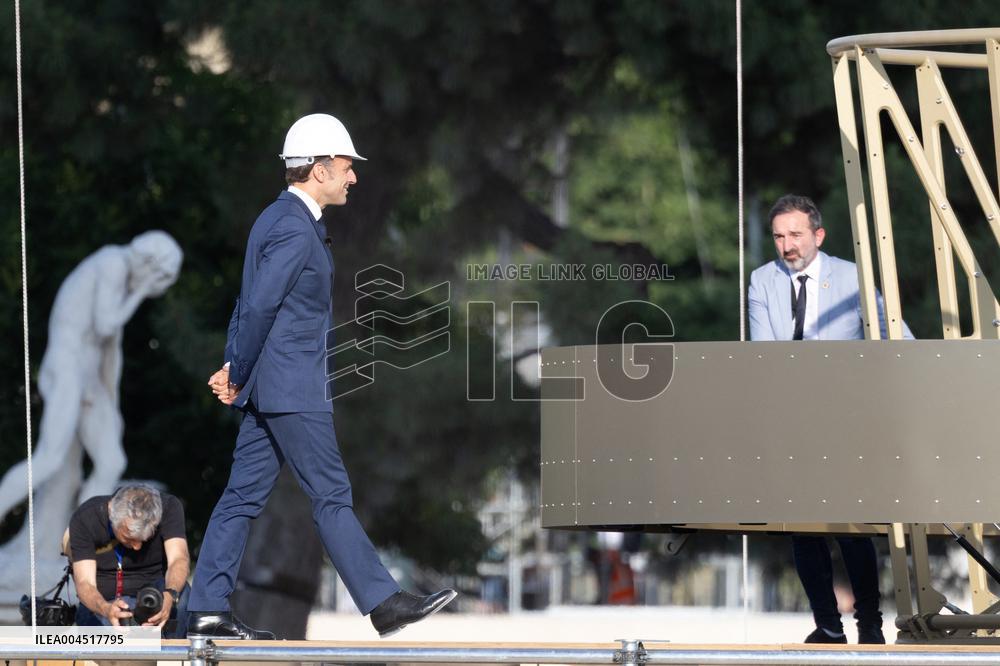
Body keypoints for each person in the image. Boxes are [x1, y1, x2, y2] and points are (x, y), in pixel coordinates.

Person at [187, 113, 456, 640]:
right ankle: (383, 603)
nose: (353, 176)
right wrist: (236, 369)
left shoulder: (276, 219)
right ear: (317, 168)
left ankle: (206, 607)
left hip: (269, 384)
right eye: (346, 166)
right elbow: (260, 306)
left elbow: (250, 304)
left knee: (240, 497)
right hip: (291, 387)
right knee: (331, 494)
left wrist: (234, 367)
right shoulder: (292, 226)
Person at [748, 194, 912, 645]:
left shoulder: (852, 278)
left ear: (818, 235)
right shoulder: (762, 281)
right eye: (779, 236)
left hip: (846, 418)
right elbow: (764, 354)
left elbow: (891, 328)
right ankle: (827, 625)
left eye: (796, 234)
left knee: (851, 527)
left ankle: (871, 626)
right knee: (802, 529)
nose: (787, 245)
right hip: (793, 419)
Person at [66, 484, 190, 637]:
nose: (137, 547)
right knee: (110, 629)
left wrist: (170, 595)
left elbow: (179, 559)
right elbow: (85, 583)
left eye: (145, 539)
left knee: (182, 593)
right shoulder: (86, 518)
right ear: (113, 517)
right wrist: (105, 609)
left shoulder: (170, 507)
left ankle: (173, 655)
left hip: (153, 595)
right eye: (129, 539)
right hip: (103, 603)